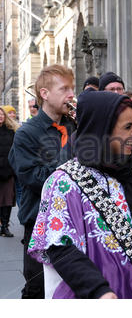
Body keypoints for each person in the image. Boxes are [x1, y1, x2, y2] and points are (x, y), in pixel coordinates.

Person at [28, 90, 132, 299]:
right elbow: (60, 247)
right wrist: (99, 291)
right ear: (102, 131)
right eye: (128, 127)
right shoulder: (63, 182)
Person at [8, 64, 76, 298]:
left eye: (72, 88)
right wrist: (72, 159)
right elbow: (34, 178)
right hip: (40, 221)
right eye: (64, 88)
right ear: (45, 94)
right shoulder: (26, 133)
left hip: (74, 219)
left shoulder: (75, 126)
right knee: (38, 289)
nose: (71, 94)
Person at [0, 107, 19, 237]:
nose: (0, 116)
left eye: (1, 114)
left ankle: (5, 226)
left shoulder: (12, 131)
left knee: (7, 200)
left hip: (8, 171)